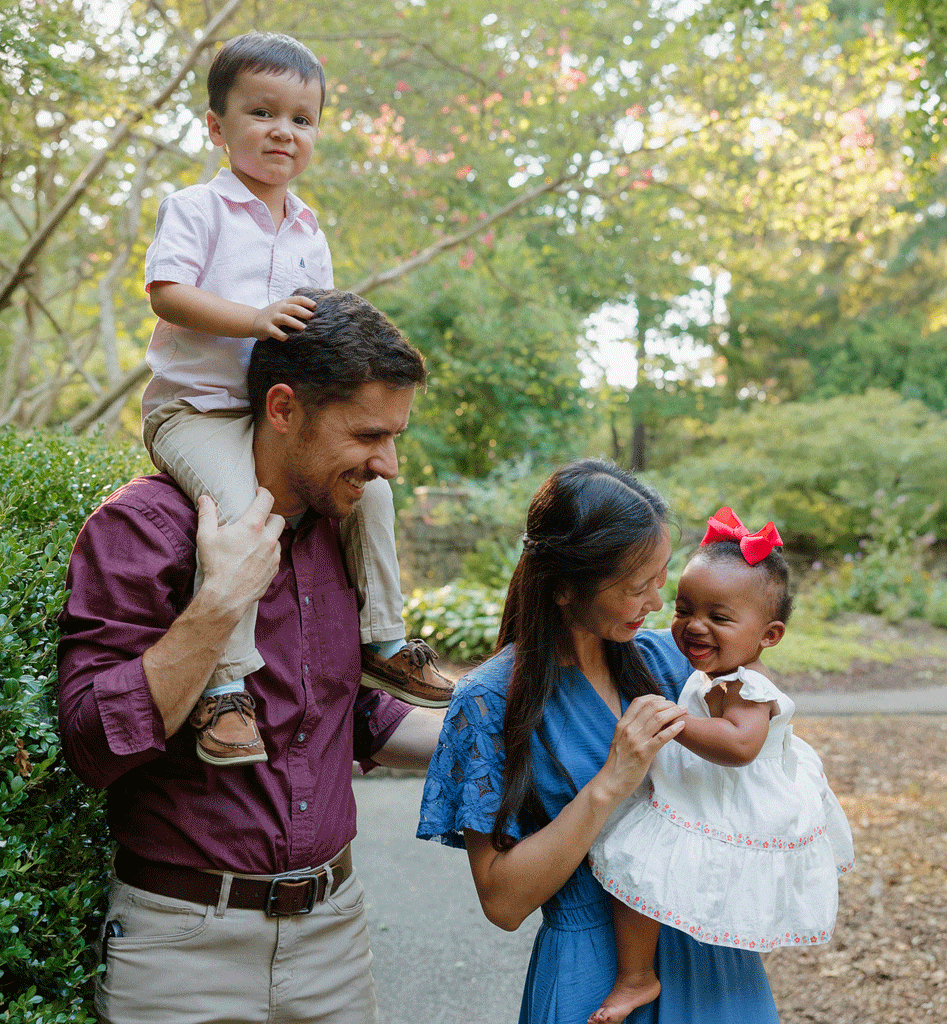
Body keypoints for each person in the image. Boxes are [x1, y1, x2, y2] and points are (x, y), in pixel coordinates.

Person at [58, 289, 445, 1024]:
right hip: (180, 956)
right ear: (283, 409)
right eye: (368, 434)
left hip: (334, 941)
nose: (389, 464)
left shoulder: (338, 529)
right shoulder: (142, 527)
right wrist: (218, 604)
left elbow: (341, 710)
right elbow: (91, 746)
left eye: (395, 436)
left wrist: (500, 729)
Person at [140, 31, 451, 768]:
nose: (284, 131)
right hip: (195, 411)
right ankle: (224, 689)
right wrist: (254, 319)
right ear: (217, 127)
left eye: (301, 119)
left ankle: (386, 642)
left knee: (375, 490)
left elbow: (324, 330)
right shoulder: (198, 209)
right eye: (262, 113)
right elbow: (167, 293)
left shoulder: (309, 230)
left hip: (274, 416)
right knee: (241, 513)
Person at [418, 460, 782, 1024]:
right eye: (639, 587)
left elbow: (753, 722)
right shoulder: (490, 701)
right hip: (593, 972)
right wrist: (610, 782)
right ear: (565, 586)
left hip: (712, 955)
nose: (657, 603)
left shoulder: (671, 660)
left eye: (662, 579)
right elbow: (503, 903)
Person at [586, 507, 855, 1023]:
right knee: (637, 870)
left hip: (737, 796)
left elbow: (740, 745)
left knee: (646, 863)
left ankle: (641, 974)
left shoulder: (747, 685)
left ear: (769, 635)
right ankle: (638, 975)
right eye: (684, 609)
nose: (695, 626)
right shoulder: (717, 671)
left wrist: (673, 721)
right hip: (707, 785)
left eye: (720, 617)